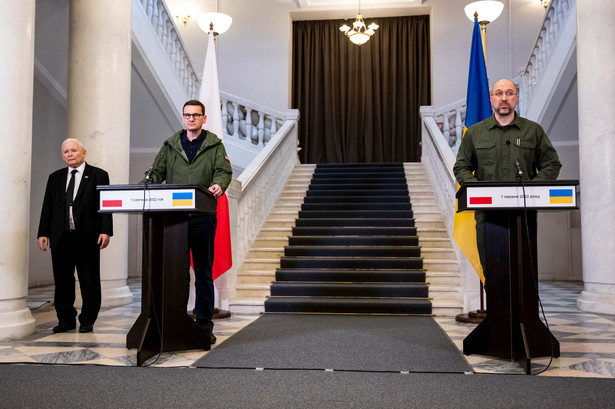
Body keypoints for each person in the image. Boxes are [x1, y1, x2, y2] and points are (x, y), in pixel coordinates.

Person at [144, 99, 232, 344]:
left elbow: (224, 171)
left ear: (204, 118)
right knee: (176, 273)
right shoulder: (170, 145)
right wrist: (143, 188)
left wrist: (219, 184)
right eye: (187, 115)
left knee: (203, 272)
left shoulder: (214, 145)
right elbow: (156, 174)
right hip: (175, 218)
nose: (191, 119)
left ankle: (204, 325)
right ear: (183, 118)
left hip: (203, 217)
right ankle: (175, 321)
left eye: (196, 115)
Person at [453, 78, 562, 272]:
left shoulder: (533, 131)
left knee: (524, 272)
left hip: (523, 216)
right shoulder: (475, 133)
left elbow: (551, 164)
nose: (504, 98)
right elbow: (461, 167)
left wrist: (533, 188)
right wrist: (477, 189)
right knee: (493, 274)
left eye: (509, 93)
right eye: (499, 93)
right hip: (488, 217)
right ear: (491, 99)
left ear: (517, 98)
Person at [37, 139, 113, 333]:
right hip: (60, 237)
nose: (69, 154)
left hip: (88, 237)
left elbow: (105, 206)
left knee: (89, 280)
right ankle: (66, 320)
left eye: (73, 150)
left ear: (84, 152)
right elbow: (47, 207)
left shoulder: (99, 175)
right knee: (62, 281)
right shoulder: (55, 177)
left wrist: (106, 230)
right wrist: (43, 232)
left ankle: (87, 320)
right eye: (65, 152)